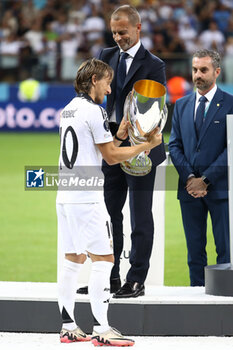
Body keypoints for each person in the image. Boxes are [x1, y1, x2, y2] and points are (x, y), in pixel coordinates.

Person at [56, 58, 162, 345]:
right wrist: (145, 145)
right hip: (88, 198)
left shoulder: (68, 109)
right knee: (104, 260)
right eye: (106, 81)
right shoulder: (95, 110)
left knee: (73, 259)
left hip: (66, 193)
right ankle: (102, 330)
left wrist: (118, 135)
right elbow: (111, 157)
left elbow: (96, 147)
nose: (109, 87)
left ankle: (68, 325)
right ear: (94, 81)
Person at [77, 5, 166, 298]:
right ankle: (109, 276)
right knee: (108, 214)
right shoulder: (105, 56)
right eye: (114, 32)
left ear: (137, 29)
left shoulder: (154, 64)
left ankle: (136, 279)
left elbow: (154, 111)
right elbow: (92, 100)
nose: (117, 37)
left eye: (123, 32)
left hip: (140, 149)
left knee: (140, 216)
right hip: (112, 146)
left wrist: (137, 139)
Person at [169, 49, 232, 286]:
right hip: (188, 191)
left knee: (225, 252)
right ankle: (195, 297)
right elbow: (174, 145)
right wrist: (189, 178)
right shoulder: (182, 104)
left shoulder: (230, 104)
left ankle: (226, 301)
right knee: (194, 253)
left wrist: (204, 179)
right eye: (195, 69)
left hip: (221, 190)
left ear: (216, 71)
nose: (198, 75)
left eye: (203, 70)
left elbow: (231, 150)